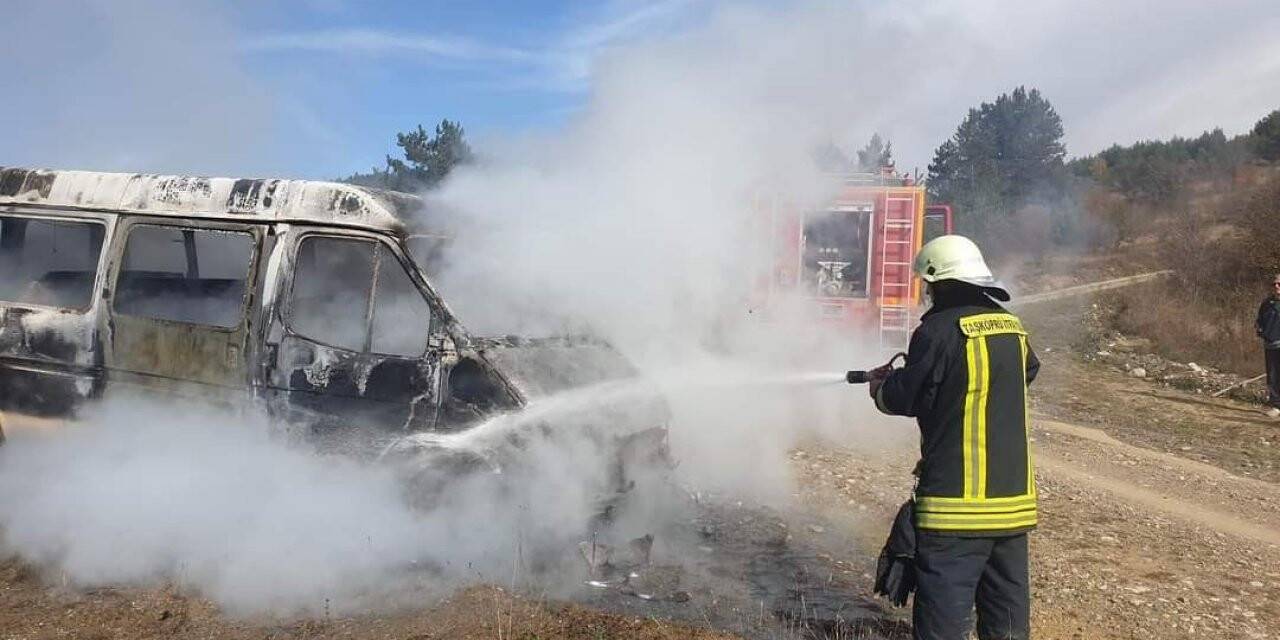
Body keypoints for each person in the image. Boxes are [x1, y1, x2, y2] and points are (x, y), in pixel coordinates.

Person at [866, 235, 1039, 640]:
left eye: (929, 286)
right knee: (1007, 622)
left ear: (939, 284)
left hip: (954, 510)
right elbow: (1025, 372)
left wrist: (880, 388)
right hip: (1012, 508)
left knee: (941, 623)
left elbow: (905, 398)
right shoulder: (1012, 328)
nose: (927, 294)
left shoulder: (938, 330)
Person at [1254, 274, 1280, 418]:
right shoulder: (1267, 303)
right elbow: (1259, 320)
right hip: (1270, 345)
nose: (1276, 286)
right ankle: (1276, 405)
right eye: (1274, 284)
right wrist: (1259, 329)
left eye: (1279, 284)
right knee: (1273, 376)